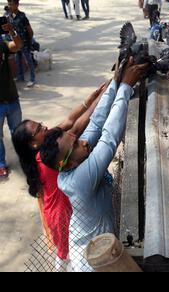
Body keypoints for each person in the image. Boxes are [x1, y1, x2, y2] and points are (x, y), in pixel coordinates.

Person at [39, 58, 149, 272]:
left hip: (97, 247)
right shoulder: (79, 181)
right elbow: (109, 137)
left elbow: (97, 122)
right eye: (76, 143)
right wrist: (126, 88)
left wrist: (116, 81)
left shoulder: (73, 158)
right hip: (91, 264)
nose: (84, 141)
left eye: (76, 137)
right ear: (66, 163)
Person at [12, 83, 108, 271]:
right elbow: (76, 128)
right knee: (69, 254)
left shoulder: (46, 144)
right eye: (39, 129)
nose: (45, 127)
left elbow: (69, 120)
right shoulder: (45, 158)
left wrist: (89, 100)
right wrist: (101, 98)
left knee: (69, 250)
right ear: (33, 144)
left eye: (40, 124)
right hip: (60, 214)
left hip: (62, 207)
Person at [0, 20, 23, 179]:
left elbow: (17, 45)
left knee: (18, 132)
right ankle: (1, 164)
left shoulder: (3, 45)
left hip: (12, 100)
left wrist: (11, 31)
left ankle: (24, 157)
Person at [7, 0, 35, 87]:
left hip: (25, 42)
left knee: (28, 61)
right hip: (16, 42)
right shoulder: (10, 16)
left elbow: (30, 31)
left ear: (17, 5)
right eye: (9, 4)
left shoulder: (22, 16)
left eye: (12, 4)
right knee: (18, 60)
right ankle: (20, 77)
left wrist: (29, 42)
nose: (10, 6)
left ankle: (32, 79)